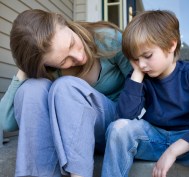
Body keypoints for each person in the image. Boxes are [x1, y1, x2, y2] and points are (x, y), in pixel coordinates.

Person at [101, 10, 189, 177]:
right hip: (153, 140)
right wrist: (136, 76)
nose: (141, 64)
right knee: (117, 128)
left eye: (147, 55)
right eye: (135, 59)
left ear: (171, 45)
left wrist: (173, 151)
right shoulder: (140, 77)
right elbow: (124, 117)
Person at [0, 9, 132, 177]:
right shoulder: (48, 71)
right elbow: (7, 123)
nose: (78, 57)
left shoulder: (107, 39)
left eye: (71, 43)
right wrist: (24, 70)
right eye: (64, 61)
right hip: (68, 139)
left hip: (113, 127)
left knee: (66, 86)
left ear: (63, 22)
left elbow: (143, 88)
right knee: (31, 88)